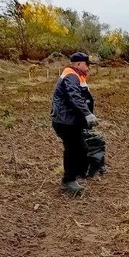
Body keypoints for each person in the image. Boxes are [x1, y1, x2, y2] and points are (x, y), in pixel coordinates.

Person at [51, 52, 97, 196]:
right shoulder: (71, 76)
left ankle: (78, 174)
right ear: (77, 64)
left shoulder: (77, 76)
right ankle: (68, 182)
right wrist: (87, 114)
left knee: (81, 148)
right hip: (65, 121)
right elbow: (74, 97)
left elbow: (83, 98)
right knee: (73, 149)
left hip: (71, 120)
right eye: (87, 64)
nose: (89, 68)